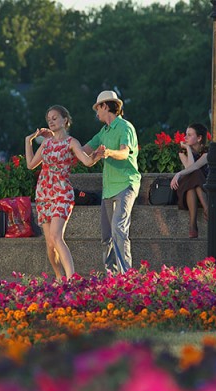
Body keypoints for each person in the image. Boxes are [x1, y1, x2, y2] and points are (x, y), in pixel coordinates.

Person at [25, 105, 96, 279]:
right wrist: (28, 142)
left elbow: (86, 162)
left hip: (62, 193)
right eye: (49, 119)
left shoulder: (72, 142)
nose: (51, 121)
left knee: (57, 236)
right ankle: (59, 277)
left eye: (55, 118)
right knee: (50, 244)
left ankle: (72, 279)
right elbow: (30, 165)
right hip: (43, 194)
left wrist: (98, 155)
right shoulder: (47, 143)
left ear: (65, 120)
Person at [81, 90, 141, 274]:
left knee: (119, 229)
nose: (96, 112)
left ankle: (126, 277)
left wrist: (108, 153)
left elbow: (124, 153)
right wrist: (56, 140)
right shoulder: (103, 131)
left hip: (125, 184)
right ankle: (111, 278)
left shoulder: (125, 127)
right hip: (108, 189)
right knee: (106, 236)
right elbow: (82, 150)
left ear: (105, 106)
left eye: (97, 108)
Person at [169, 123, 209, 238]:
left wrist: (178, 174)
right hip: (188, 186)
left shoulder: (207, 152)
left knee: (194, 178)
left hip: (204, 185)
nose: (185, 138)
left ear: (199, 138)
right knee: (192, 180)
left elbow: (195, 167)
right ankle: (206, 209)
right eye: (185, 134)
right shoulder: (183, 153)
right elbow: (189, 168)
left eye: (189, 135)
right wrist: (188, 149)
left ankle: (192, 226)